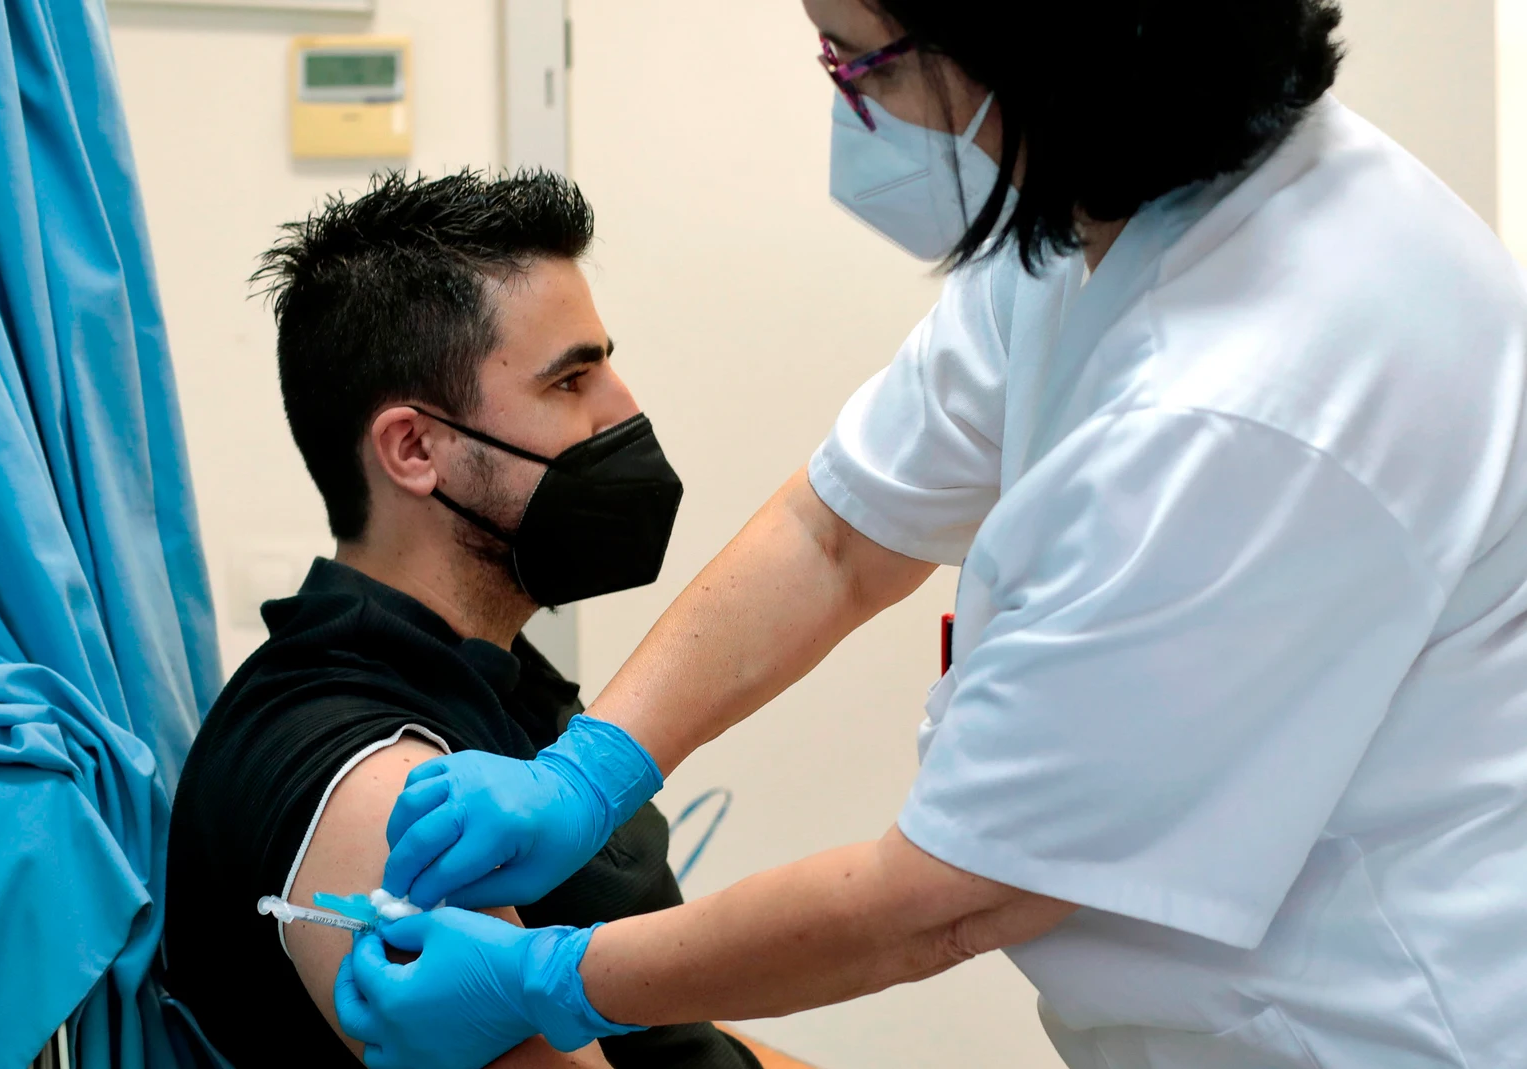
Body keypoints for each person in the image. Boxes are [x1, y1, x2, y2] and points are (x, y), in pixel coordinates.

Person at [334, 2, 1527, 1068]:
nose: (849, 109)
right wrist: (588, 772)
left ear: (1027, 57)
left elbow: (939, 902)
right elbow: (838, 533)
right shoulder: (1103, 218)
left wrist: (550, 981)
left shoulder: (1246, 403)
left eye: (859, 64)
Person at [160, 170, 790, 1069]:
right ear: (415, 449)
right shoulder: (384, 787)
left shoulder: (500, 679)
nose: (626, 411)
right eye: (572, 380)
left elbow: (681, 1043)